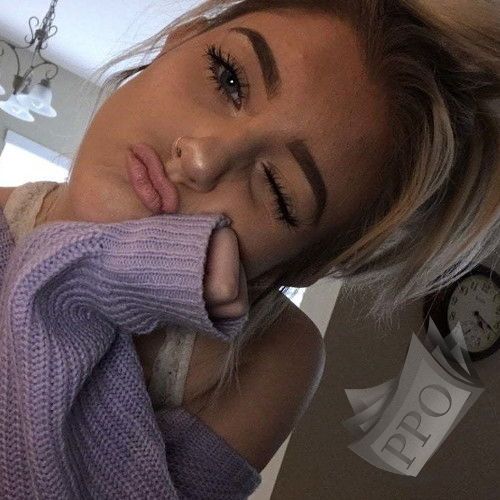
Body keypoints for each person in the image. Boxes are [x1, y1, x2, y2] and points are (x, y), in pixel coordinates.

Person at [0, 0, 498, 497]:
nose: (202, 157)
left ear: (299, 267)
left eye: (279, 189)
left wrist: (81, 282)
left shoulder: (271, 358)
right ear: (177, 41)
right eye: (229, 78)